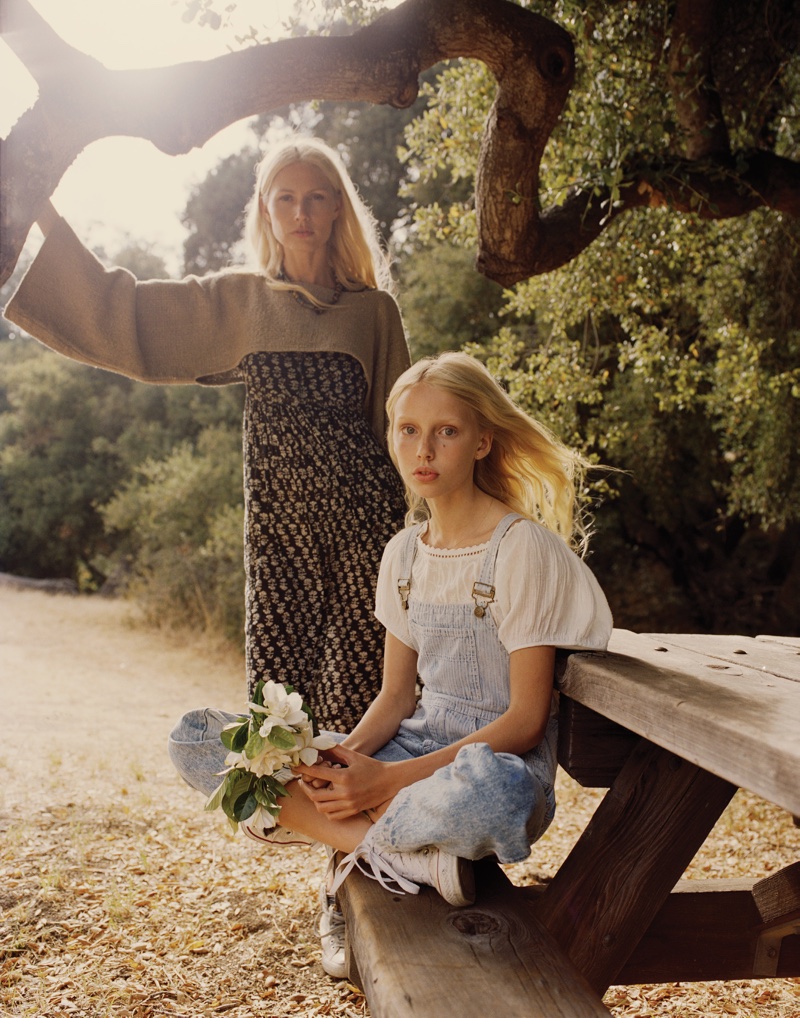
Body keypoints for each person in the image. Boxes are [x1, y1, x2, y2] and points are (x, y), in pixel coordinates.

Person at [168, 351, 613, 972]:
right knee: (198, 739)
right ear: (393, 438)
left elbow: (525, 722)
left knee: (490, 797)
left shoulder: (521, 550)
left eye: (446, 432)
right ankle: (405, 855)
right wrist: (345, 759)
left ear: (484, 440)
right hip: (407, 754)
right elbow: (397, 699)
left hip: (491, 768)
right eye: (409, 430)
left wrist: (380, 783)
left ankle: (330, 840)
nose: (424, 450)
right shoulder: (404, 553)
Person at [4, 137, 410, 735]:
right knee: (282, 705)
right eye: (287, 198)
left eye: (317, 198)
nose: (302, 213)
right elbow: (132, 314)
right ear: (267, 211)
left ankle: (359, 826)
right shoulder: (241, 301)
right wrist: (44, 213)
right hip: (282, 540)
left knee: (361, 696)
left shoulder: (375, 312)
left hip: (367, 534)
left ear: (336, 211)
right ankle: (285, 823)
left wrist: (426, 540)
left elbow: (407, 433)